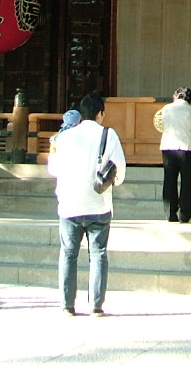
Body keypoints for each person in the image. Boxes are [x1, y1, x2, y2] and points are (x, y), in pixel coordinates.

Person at [48, 93, 125, 317]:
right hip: (98, 203)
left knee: (69, 253)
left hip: (70, 203)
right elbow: (119, 171)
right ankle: (96, 306)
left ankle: (66, 304)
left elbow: (53, 169)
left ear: (82, 114)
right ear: (100, 114)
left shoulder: (64, 137)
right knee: (98, 253)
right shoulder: (108, 135)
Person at [159, 86, 191, 223]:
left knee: (169, 180)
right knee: (187, 181)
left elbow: (160, 125)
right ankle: (185, 214)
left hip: (168, 147)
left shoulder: (166, 109)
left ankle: (170, 212)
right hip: (188, 148)